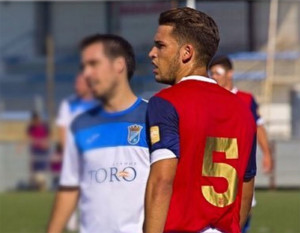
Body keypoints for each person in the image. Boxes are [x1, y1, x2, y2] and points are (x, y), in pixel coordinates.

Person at [145, 7, 257, 233]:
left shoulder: (165, 102)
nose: (152, 53)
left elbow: (161, 182)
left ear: (186, 52)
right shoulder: (242, 109)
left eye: (160, 45)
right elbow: (246, 188)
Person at [47, 34, 149, 233]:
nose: (86, 74)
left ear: (119, 65)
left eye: (93, 64)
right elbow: (69, 187)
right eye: (84, 66)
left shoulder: (154, 117)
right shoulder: (80, 124)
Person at [209, 55, 274, 233]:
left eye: (217, 72)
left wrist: (267, 154)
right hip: (214, 167)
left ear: (230, 74)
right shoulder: (210, 100)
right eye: (211, 73)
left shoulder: (245, 99)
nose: (214, 77)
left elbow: (258, 127)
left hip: (241, 167)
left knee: (243, 213)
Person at [56, 71, 98, 232]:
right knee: (71, 184)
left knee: (90, 185)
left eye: (79, 83)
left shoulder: (98, 105)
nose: (76, 86)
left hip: (91, 152)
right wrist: (68, 152)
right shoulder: (69, 104)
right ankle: (71, 219)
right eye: (75, 83)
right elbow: (62, 128)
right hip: (74, 153)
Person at [26, 111, 50, 191]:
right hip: (35, 150)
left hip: (42, 151)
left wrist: (46, 143)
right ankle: (37, 185)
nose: (36, 121)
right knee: (34, 168)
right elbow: (27, 136)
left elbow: (48, 136)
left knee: (41, 168)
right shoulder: (31, 127)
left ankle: (42, 185)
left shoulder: (44, 126)